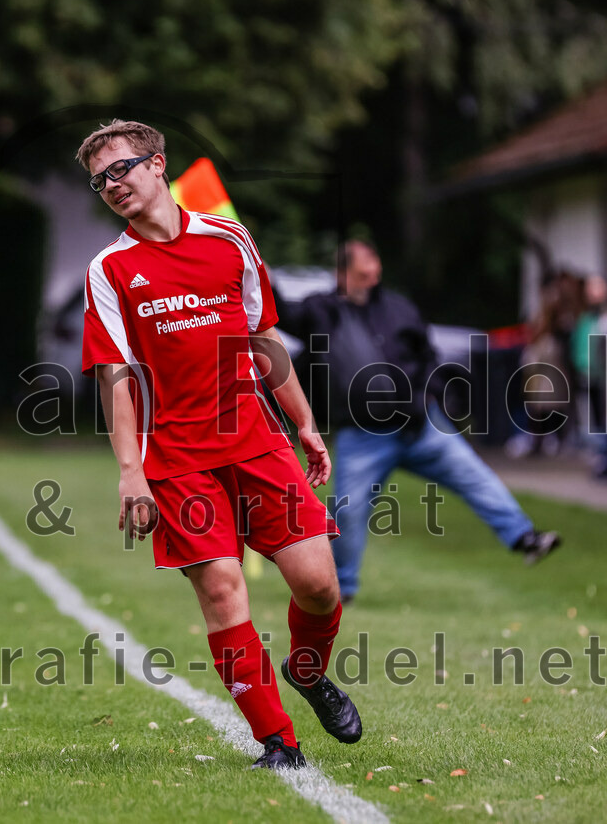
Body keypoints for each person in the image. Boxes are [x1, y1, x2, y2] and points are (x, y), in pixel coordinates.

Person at [78, 120, 360, 772]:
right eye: (100, 180)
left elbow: (264, 339)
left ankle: (308, 673)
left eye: (122, 169)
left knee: (319, 586)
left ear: (158, 165)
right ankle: (277, 742)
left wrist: (305, 423)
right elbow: (114, 377)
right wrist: (130, 472)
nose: (112, 185)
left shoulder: (229, 237)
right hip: (174, 461)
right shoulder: (109, 269)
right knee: (224, 592)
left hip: (258, 443)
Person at [276, 239, 561, 604]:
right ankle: (342, 587)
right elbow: (280, 311)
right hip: (363, 435)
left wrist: (433, 394)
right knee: (347, 510)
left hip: (422, 425)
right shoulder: (322, 311)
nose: (371, 276)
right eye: (362, 271)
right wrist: (258, 272)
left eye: (374, 268)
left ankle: (524, 537)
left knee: (474, 475)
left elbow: (429, 357)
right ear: (343, 273)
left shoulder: (398, 308)